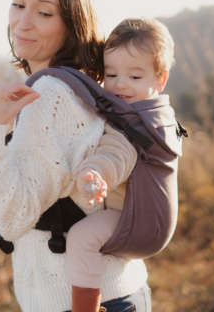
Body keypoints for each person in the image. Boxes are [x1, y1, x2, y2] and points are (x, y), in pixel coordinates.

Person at [0, 0, 151, 312]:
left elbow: (13, 214)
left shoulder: (52, 96)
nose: (23, 22)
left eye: (44, 12)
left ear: (71, 23)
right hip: (114, 293)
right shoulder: (81, 86)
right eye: (18, 4)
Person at [66, 17, 177, 312]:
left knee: (81, 237)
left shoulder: (136, 123)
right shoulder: (161, 114)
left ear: (160, 79)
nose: (120, 85)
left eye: (135, 77)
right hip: (152, 222)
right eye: (111, 74)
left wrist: (95, 173)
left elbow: (118, 153)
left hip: (137, 221)